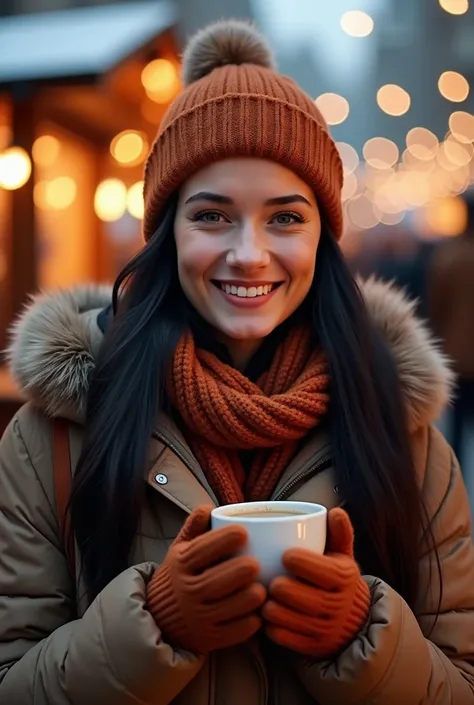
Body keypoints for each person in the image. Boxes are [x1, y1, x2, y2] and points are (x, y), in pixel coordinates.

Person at [1, 19, 473, 705]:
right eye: (212, 216)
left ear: (323, 234)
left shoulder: (403, 436)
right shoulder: (52, 435)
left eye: (285, 217)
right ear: (166, 232)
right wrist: (152, 625)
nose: (249, 253)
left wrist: (360, 637)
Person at [428, 192, 474, 464]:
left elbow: (435, 306)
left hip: (456, 355)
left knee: (456, 427)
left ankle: (456, 490)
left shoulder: (449, 257)